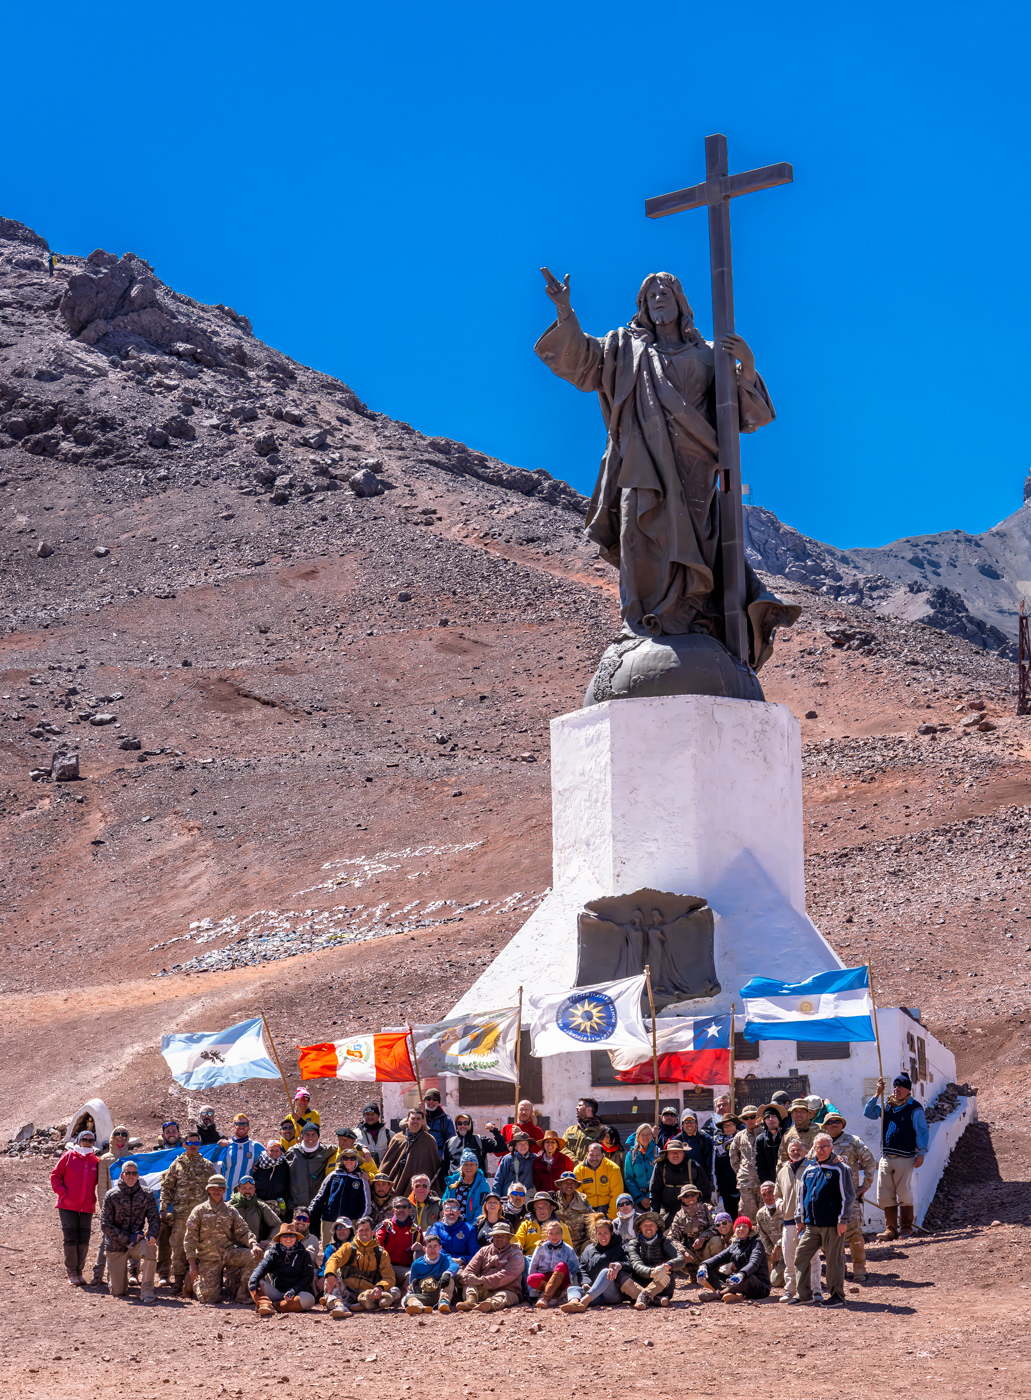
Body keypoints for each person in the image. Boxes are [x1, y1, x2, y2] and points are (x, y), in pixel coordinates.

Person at [536, 269, 789, 657]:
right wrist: (565, 310)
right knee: (640, 537)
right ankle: (642, 624)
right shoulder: (625, 349)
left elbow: (744, 416)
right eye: (649, 295)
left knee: (698, 547)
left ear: (680, 302)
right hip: (641, 464)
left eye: (664, 293)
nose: (657, 299)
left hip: (696, 468)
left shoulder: (707, 354)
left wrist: (747, 366)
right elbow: (582, 361)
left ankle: (696, 622)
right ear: (642, 306)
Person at [789, 1132, 855, 1308]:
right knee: (801, 1256)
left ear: (831, 1148)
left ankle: (837, 1296)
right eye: (819, 1147)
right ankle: (804, 1295)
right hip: (811, 1225)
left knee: (834, 1261)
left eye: (826, 1146)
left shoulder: (841, 1169)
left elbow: (847, 1197)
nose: (822, 1150)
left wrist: (843, 1219)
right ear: (814, 1148)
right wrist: (799, 1219)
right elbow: (801, 1196)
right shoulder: (809, 1171)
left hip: (833, 1224)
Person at [864, 1073, 928, 1241]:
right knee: (885, 1194)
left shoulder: (915, 1108)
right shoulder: (887, 1105)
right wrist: (877, 1094)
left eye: (900, 1087)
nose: (896, 1089)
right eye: (895, 1086)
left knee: (904, 1193)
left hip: (905, 1157)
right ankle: (890, 1229)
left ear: (908, 1090)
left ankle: (906, 1228)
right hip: (886, 1157)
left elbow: (922, 1131)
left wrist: (921, 1153)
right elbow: (868, 1113)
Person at [183, 1174, 263, 1304]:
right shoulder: (199, 1211)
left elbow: (243, 1231)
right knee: (209, 1299)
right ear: (208, 1189)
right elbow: (189, 1239)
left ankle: (242, 1293)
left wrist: (254, 1244)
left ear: (224, 1190)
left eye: (220, 1188)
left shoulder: (231, 1210)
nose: (216, 1191)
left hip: (228, 1253)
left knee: (256, 1256)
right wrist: (193, 1265)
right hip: (208, 1257)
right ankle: (195, 1282)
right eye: (213, 1188)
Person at [820, 1111, 876, 1280]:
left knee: (854, 1233)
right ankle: (839, 1268)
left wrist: (866, 1184)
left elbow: (870, 1161)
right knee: (829, 1235)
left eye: (837, 1121)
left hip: (849, 1198)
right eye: (830, 1122)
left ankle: (859, 1269)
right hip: (827, 1199)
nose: (834, 1124)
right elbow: (811, 1165)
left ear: (842, 1125)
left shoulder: (853, 1141)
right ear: (825, 1127)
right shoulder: (820, 1144)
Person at [159, 1128, 212, 1293]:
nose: (193, 1146)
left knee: (203, 1248)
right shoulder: (176, 1165)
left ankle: (202, 1282)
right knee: (179, 1248)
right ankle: (178, 1281)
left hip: (202, 1217)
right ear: (184, 1145)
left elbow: (215, 1190)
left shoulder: (208, 1166)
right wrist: (163, 1208)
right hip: (181, 1215)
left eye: (196, 1143)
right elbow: (167, 1188)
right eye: (190, 1143)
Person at [100, 1160, 159, 1303]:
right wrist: (128, 1237)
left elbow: (154, 1217)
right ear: (122, 1175)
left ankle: (147, 1289)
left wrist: (152, 1234)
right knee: (118, 1292)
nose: (131, 1176)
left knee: (151, 1247)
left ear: (138, 1175)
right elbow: (105, 1225)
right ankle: (115, 1276)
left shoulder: (147, 1194)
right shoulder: (111, 1195)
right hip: (116, 1245)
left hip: (137, 1243)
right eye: (128, 1173)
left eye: (134, 1173)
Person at [561, 1213, 640, 1311]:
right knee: (572, 1289)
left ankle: (584, 1301)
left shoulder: (620, 1248)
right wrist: (585, 1282)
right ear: (596, 1235)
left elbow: (629, 1265)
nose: (603, 1236)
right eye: (600, 1233)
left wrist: (619, 1265)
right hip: (594, 1293)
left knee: (606, 1271)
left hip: (611, 1294)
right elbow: (582, 1268)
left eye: (605, 1233)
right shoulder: (588, 1249)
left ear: (611, 1233)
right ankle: (574, 1302)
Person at [775, 1138, 821, 1303]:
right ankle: (790, 1290)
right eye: (792, 1150)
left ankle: (816, 1290)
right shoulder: (782, 1170)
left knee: (813, 1257)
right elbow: (777, 1194)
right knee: (789, 1258)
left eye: (798, 1150)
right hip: (788, 1222)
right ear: (788, 1152)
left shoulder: (812, 1168)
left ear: (805, 1150)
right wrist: (781, 1206)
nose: (795, 1153)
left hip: (808, 1221)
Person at [323, 1214, 396, 1317]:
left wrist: (380, 1287)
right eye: (361, 1230)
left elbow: (389, 1277)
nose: (363, 1233)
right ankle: (340, 1307)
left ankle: (349, 1305)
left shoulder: (381, 1253)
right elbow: (334, 1259)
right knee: (330, 1279)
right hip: (346, 1289)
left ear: (373, 1232)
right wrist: (330, 1274)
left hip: (367, 1293)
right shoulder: (348, 1247)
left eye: (366, 1230)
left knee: (393, 1292)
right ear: (356, 1232)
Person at [51, 1129, 99, 1285]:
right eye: (84, 1139)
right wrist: (62, 1193)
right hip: (68, 1205)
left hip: (87, 1206)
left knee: (84, 1238)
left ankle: (80, 1270)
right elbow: (55, 1176)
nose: (87, 1142)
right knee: (71, 1237)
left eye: (91, 1140)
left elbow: (104, 1179)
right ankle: (71, 1271)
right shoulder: (68, 1157)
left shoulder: (96, 1161)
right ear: (78, 1140)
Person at [697, 1215, 771, 1303]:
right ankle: (732, 1293)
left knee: (747, 1277)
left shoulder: (756, 1243)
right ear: (735, 1229)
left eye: (744, 1226)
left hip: (759, 1287)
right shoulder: (735, 1245)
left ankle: (719, 1295)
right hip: (737, 1281)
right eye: (738, 1226)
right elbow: (718, 1258)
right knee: (709, 1269)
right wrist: (703, 1266)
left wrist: (741, 1274)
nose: (741, 1229)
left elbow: (754, 1263)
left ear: (749, 1230)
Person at [92, 1125, 133, 1285]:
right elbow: (102, 1186)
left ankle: (132, 1273)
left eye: (124, 1134)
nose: (121, 1136)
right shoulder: (105, 1159)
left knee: (131, 1240)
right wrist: (104, 1208)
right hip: (111, 1208)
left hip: (129, 1207)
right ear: (112, 1137)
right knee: (106, 1241)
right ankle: (98, 1274)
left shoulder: (132, 1157)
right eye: (117, 1134)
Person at [455, 1220, 524, 1312]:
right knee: (468, 1278)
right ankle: (471, 1300)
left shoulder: (516, 1254)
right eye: (496, 1236)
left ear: (509, 1237)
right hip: (483, 1288)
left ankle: (490, 1305)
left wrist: (481, 1280)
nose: (499, 1238)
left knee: (503, 1296)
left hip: (508, 1290)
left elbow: (507, 1275)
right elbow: (470, 1269)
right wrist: (467, 1278)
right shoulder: (483, 1251)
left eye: (502, 1236)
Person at [249, 1222, 316, 1315]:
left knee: (309, 1300)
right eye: (284, 1236)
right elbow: (261, 1267)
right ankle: (270, 1305)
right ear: (280, 1238)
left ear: (296, 1238)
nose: (288, 1238)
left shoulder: (304, 1254)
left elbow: (308, 1277)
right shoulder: (274, 1252)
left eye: (292, 1235)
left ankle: (272, 1306)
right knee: (256, 1282)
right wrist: (253, 1280)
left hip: (296, 1294)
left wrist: (293, 1291)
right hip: (276, 1293)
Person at [309, 1146, 372, 1241]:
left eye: (352, 1158)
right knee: (328, 1248)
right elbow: (321, 1196)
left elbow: (366, 1204)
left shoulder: (361, 1180)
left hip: (351, 1221)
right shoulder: (333, 1175)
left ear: (357, 1161)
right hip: (329, 1218)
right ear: (342, 1160)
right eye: (345, 1158)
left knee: (348, 1250)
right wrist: (309, 1212)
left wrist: (360, 1221)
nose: (349, 1161)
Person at [626, 1210, 684, 1308]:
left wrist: (666, 1266)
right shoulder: (633, 1244)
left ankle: (644, 1296)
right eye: (645, 1225)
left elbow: (681, 1259)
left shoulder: (665, 1242)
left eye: (651, 1225)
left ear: (657, 1227)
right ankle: (656, 1300)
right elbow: (636, 1264)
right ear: (640, 1228)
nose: (648, 1228)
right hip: (640, 1282)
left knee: (668, 1272)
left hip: (662, 1285)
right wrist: (652, 1272)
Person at [649, 1138, 711, 1227]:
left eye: (678, 1152)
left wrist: (698, 1211)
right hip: (667, 1211)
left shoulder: (694, 1167)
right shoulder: (660, 1167)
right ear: (666, 1155)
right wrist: (655, 1215)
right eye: (672, 1152)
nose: (675, 1155)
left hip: (692, 1212)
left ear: (684, 1154)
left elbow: (705, 1191)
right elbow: (654, 1192)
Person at [380, 1108, 442, 1195]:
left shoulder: (429, 1140)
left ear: (422, 1121)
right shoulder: (398, 1138)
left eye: (418, 1119)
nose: (415, 1121)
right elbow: (388, 1162)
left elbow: (433, 1166)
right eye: (413, 1118)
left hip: (418, 1187)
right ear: (407, 1120)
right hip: (398, 1181)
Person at [527, 1218, 583, 1308]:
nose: (554, 1236)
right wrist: (532, 1293)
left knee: (562, 1265)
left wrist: (573, 1290)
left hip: (562, 1278)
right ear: (547, 1234)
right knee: (531, 1278)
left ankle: (545, 1298)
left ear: (561, 1234)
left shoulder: (568, 1249)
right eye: (551, 1233)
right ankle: (555, 1295)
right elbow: (533, 1266)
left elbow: (574, 1270)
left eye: (557, 1233)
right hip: (546, 1277)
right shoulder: (540, 1247)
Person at [667, 1183, 719, 1281]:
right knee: (669, 1247)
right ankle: (693, 1273)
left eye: (692, 1195)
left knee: (717, 1240)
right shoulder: (679, 1215)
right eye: (686, 1196)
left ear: (697, 1195)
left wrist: (702, 1238)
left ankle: (714, 1272)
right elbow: (672, 1237)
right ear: (682, 1199)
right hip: (690, 1254)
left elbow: (717, 1226)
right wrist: (682, 1251)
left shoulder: (708, 1209)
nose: (690, 1198)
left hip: (706, 1250)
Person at [376, 1196, 422, 1302]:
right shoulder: (385, 1226)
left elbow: (424, 1254)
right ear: (393, 1210)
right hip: (386, 1267)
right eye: (398, 1207)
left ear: (410, 1210)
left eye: (405, 1207)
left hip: (404, 1268)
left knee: (412, 1275)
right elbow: (377, 1246)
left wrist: (420, 1248)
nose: (401, 1210)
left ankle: (397, 1298)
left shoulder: (416, 1230)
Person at [404, 1227, 459, 1314]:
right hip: (426, 1295)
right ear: (424, 1249)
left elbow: (454, 1265)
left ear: (440, 1248)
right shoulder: (417, 1264)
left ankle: (444, 1303)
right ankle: (419, 1306)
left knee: (450, 1280)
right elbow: (411, 1284)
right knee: (408, 1297)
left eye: (435, 1246)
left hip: (443, 1292)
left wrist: (447, 1273)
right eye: (429, 1247)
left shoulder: (445, 1258)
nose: (433, 1250)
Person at [284, 1124, 333, 1213]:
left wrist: (362, 1147)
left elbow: (345, 1145)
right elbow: (279, 1165)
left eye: (313, 1134)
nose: (310, 1138)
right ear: (302, 1137)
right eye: (307, 1134)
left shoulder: (326, 1150)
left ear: (318, 1136)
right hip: (295, 1206)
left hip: (316, 1207)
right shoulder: (293, 1152)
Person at [443, 1113, 505, 1179]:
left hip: (477, 1185)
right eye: (459, 1123)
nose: (463, 1126)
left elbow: (501, 1148)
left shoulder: (480, 1140)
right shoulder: (450, 1142)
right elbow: (444, 1167)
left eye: (466, 1123)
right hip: (455, 1185)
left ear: (470, 1124)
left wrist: (495, 1131)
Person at [574, 1141, 624, 1219]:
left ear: (602, 1155)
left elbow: (616, 1194)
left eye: (598, 1155)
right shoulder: (578, 1170)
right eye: (591, 1155)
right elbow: (577, 1196)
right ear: (587, 1155)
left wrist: (611, 1217)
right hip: (587, 1208)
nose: (594, 1158)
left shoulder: (613, 1169)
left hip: (607, 1207)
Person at [214, 1114, 262, 1193]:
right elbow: (212, 1163)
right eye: (238, 1124)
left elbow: (271, 1157)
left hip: (246, 1195)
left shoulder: (255, 1146)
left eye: (245, 1124)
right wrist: (217, 1148)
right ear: (233, 1126)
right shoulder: (225, 1145)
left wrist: (257, 1165)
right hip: (226, 1193)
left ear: (249, 1128)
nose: (241, 1126)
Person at [513, 1191, 572, 1256]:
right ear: (534, 1209)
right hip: (529, 1260)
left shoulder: (561, 1226)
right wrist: (517, 1244)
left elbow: (568, 1248)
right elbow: (518, 1239)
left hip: (553, 1260)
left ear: (552, 1208)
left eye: (545, 1206)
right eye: (538, 1207)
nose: (541, 1209)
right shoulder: (526, 1224)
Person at [730, 1106, 762, 1221]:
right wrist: (741, 1173)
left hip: (764, 1182)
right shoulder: (739, 1136)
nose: (749, 1120)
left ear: (758, 1117)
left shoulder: (765, 1134)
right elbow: (734, 1157)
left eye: (753, 1117)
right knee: (749, 1217)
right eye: (746, 1118)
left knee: (766, 1216)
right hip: (746, 1184)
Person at [443, 1150, 492, 1224]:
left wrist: (472, 1227)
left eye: (472, 1164)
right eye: (466, 1164)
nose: (469, 1167)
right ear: (461, 1167)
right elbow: (445, 1201)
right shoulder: (452, 1182)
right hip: (452, 1224)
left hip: (473, 1225)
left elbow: (481, 1208)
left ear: (476, 1166)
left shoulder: (482, 1185)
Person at [710, 1111, 742, 1219]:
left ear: (735, 1125)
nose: (727, 1128)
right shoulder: (717, 1143)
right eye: (725, 1126)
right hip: (725, 1184)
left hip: (741, 1183)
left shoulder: (742, 1139)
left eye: (730, 1125)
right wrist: (715, 1188)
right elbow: (715, 1166)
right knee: (730, 1213)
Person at [231, 1175, 281, 1243]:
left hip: (256, 1248)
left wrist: (269, 1241)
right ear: (239, 1189)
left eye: (250, 1188)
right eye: (244, 1188)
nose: (247, 1191)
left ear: (254, 1189)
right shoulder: (229, 1206)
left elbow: (277, 1225)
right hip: (234, 1250)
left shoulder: (261, 1207)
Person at [677, 1112, 716, 1195]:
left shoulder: (705, 1138)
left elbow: (710, 1164)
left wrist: (710, 1182)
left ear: (696, 1123)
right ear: (682, 1124)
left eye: (692, 1121)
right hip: (681, 1182)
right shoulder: (676, 1140)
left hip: (701, 1182)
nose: (689, 1124)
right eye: (686, 1122)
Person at [755, 1180, 785, 1288]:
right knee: (774, 1281)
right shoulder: (760, 1214)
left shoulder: (784, 1208)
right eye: (764, 1194)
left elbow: (791, 1232)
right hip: (779, 1257)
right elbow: (764, 1238)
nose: (767, 1197)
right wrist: (774, 1257)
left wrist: (778, 1246)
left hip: (792, 1251)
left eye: (770, 1193)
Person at [554, 1172, 593, 1255]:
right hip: (558, 1243)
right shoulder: (553, 1199)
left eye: (572, 1183)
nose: (569, 1185)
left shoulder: (583, 1200)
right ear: (560, 1184)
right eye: (566, 1183)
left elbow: (591, 1220)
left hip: (580, 1244)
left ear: (575, 1185)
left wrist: (591, 1240)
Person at [434, 1197, 479, 1264]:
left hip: (461, 1265)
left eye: (454, 1209)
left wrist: (463, 1260)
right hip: (440, 1262)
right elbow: (432, 1246)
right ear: (443, 1213)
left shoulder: (469, 1229)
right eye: (447, 1209)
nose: (451, 1212)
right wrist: (448, 1259)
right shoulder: (437, 1227)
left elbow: (476, 1254)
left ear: (459, 1212)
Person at [493, 1130, 536, 1198]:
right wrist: (496, 1197)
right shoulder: (508, 1159)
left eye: (525, 1143)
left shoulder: (534, 1159)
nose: (523, 1146)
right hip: (510, 1197)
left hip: (528, 1197)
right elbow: (499, 1179)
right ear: (515, 1147)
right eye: (520, 1144)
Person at [622, 1123, 657, 1209]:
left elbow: (659, 1177)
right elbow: (628, 1179)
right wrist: (640, 1198)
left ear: (652, 1136)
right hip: (637, 1199)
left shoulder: (657, 1152)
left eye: (648, 1134)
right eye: (642, 1135)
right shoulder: (631, 1155)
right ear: (637, 1137)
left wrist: (650, 1196)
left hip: (655, 1197)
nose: (645, 1137)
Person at [252, 1139, 291, 1214]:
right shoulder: (259, 1163)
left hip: (277, 1203)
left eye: (277, 1150)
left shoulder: (285, 1164)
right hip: (259, 1201)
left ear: (281, 1152)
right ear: (267, 1151)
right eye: (271, 1150)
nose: (274, 1153)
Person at [563, 1097, 607, 1163]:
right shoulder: (570, 1130)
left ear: (589, 1109)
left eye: (580, 1106)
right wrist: (575, 1161)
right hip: (574, 1170)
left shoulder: (603, 1130)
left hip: (594, 1170)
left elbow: (608, 1151)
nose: (576, 1108)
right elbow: (562, 1148)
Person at [777, 1099, 820, 1167]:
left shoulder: (820, 1130)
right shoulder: (787, 1135)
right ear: (791, 1115)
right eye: (796, 1112)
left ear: (808, 1114)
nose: (799, 1114)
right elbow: (783, 1160)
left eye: (802, 1111)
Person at [318, 1217, 353, 1293]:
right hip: (334, 1278)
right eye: (338, 1228)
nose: (341, 1230)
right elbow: (326, 1265)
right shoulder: (331, 1248)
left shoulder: (357, 1247)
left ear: (350, 1230)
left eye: (344, 1227)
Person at [420, 1088, 456, 1161]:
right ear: (424, 1100)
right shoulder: (419, 1117)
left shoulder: (446, 1120)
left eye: (434, 1099)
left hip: (439, 1160)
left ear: (438, 1101)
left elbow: (451, 1143)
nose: (431, 1101)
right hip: (421, 1159)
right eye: (428, 1098)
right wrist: (420, 1113)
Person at [755, 1106, 785, 1186]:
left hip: (786, 1180)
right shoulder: (760, 1140)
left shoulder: (786, 1135)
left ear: (779, 1119)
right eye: (767, 1117)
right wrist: (766, 1183)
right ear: (764, 1121)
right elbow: (760, 1165)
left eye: (774, 1116)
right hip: (770, 1182)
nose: (771, 1119)